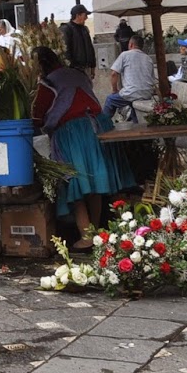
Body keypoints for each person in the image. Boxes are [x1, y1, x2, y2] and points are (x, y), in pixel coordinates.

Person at [30, 46, 136, 245]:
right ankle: (93, 231)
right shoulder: (77, 74)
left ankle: (86, 236)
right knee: (92, 182)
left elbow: (37, 116)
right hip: (97, 125)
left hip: (72, 132)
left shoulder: (48, 83)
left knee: (75, 181)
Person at [103, 35, 156, 120]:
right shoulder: (148, 58)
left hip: (131, 92)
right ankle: (136, 124)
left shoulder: (125, 55)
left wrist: (114, 89)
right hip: (147, 93)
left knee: (110, 100)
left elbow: (113, 74)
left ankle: (103, 124)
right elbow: (152, 79)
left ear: (131, 45)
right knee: (132, 104)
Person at [61, 5, 98, 80]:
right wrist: (72, 67)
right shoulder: (66, 29)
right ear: (78, 15)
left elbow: (90, 48)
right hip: (75, 70)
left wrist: (93, 66)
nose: (86, 18)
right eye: (85, 15)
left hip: (86, 68)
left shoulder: (84, 29)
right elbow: (66, 50)